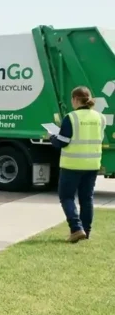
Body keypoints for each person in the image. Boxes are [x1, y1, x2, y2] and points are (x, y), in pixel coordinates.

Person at [50, 86, 104, 242]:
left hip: (72, 165)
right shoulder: (100, 118)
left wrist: (52, 137)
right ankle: (86, 231)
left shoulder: (71, 117)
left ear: (75, 99)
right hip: (92, 164)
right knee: (87, 199)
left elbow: (62, 142)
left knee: (66, 197)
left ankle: (76, 228)